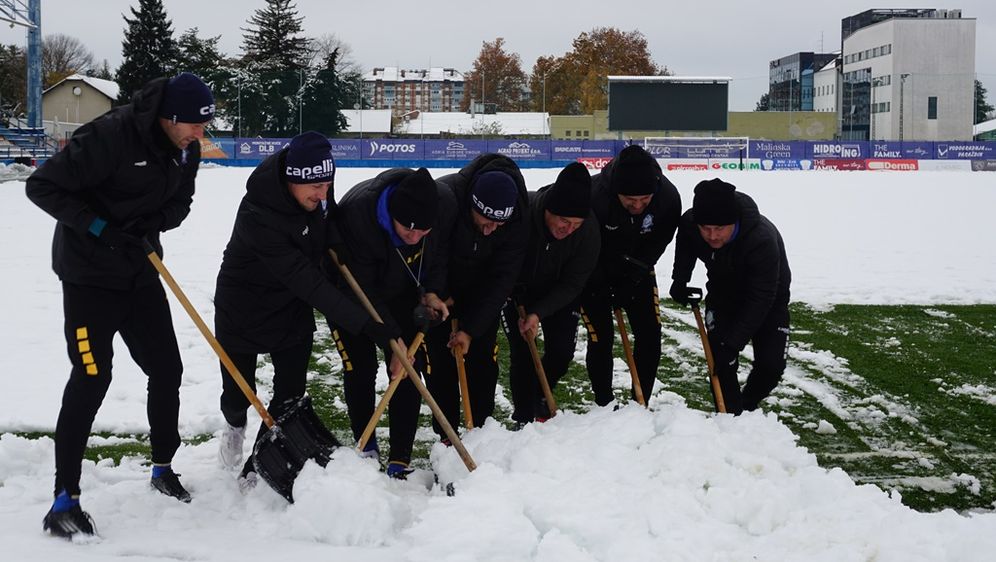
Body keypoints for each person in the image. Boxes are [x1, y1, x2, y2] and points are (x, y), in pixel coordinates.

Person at [25, 72, 214, 538]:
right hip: (89, 276)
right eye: (193, 125)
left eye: (204, 126)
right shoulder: (110, 136)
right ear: (169, 118)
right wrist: (101, 230)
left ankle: (163, 467)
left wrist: (154, 221)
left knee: (166, 369)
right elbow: (41, 187)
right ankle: (64, 497)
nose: (200, 136)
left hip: (139, 270)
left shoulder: (185, 148)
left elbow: (182, 201)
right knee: (92, 375)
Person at [212, 132, 396, 487]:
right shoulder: (258, 213)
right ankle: (234, 425)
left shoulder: (317, 186)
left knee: (291, 393)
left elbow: (329, 215)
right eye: (313, 187)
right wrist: (364, 324)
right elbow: (307, 281)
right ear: (290, 180)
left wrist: (336, 242)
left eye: (327, 183)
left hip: (290, 306)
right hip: (244, 303)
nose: (322, 192)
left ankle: (259, 461)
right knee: (239, 391)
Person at [328, 167, 456, 478]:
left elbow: (438, 256)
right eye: (407, 230)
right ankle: (367, 445)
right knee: (360, 366)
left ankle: (400, 458)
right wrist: (390, 338)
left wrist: (434, 292)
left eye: (421, 233)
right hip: (350, 294)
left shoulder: (443, 206)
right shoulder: (358, 216)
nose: (413, 238)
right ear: (393, 214)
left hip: (401, 291)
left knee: (408, 366)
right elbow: (363, 290)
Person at [669, 179, 791, 415]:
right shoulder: (690, 223)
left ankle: (746, 406)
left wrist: (733, 344)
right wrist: (680, 280)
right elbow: (685, 242)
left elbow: (761, 298)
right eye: (705, 228)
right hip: (722, 295)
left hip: (769, 298)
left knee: (771, 367)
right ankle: (729, 418)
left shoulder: (761, 239)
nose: (712, 236)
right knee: (722, 365)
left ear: (733, 222)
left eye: (719, 229)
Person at [428, 154, 530, 437]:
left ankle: (482, 431)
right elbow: (433, 254)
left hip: (482, 294)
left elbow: (502, 279)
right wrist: (439, 293)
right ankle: (446, 436)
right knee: (441, 365)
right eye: (485, 222)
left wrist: (471, 330)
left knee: (483, 363)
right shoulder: (447, 199)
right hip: (441, 295)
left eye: (498, 226)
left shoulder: (519, 218)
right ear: (472, 203)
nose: (490, 231)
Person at [581, 144, 682, 407]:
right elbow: (583, 248)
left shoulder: (668, 198)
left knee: (650, 334)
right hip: (594, 269)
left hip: (637, 267)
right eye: (630, 200)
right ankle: (604, 402)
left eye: (643, 201)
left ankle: (640, 402)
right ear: (616, 192)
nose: (637, 206)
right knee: (600, 337)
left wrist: (632, 278)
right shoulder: (593, 197)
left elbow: (658, 242)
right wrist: (599, 282)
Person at [501, 162, 600, 425]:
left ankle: (539, 394)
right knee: (522, 351)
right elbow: (501, 261)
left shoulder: (588, 231)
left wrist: (538, 312)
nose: (568, 229)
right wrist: (515, 298)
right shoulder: (522, 215)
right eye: (564, 221)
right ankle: (523, 415)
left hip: (558, 292)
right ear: (549, 210)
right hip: (516, 291)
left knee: (562, 350)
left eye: (576, 224)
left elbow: (573, 282)